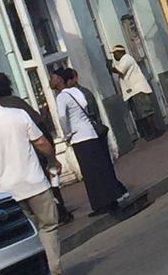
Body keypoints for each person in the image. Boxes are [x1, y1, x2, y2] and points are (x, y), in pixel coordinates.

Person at [0, 83, 62, 274]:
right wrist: (52, 160)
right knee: (48, 227)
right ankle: (54, 269)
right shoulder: (18, 114)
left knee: (23, 235)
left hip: (6, 192)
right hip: (35, 183)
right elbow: (40, 142)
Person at [0, 72, 72, 226]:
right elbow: (39, 127)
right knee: (48, 186)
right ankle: (60, 213)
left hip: (8, 166)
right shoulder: (17, 103)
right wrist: (50, 154)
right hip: (33, 154)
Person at [50, 69, 127, 217]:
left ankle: (100, 204)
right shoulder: (76, 91)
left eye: (52, 77)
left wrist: (67, 133)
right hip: (90, 132)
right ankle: (112, 199)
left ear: (59, 79)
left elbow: (62, 117)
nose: (50, 81)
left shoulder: (61, 97)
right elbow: (85, 105)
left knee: (90, 173)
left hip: (79, 137)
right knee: (100, 168)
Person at [111, 45, 162, 141]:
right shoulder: (123, 61)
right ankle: (149, 132)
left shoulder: (126, 58)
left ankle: (153, 130)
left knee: (146, 111)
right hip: (132, 91)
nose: (114, 56)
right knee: (140, 113)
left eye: (115, 53)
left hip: (137, 89)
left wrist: (110, 67)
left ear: (120, 52)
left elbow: (120, 71)